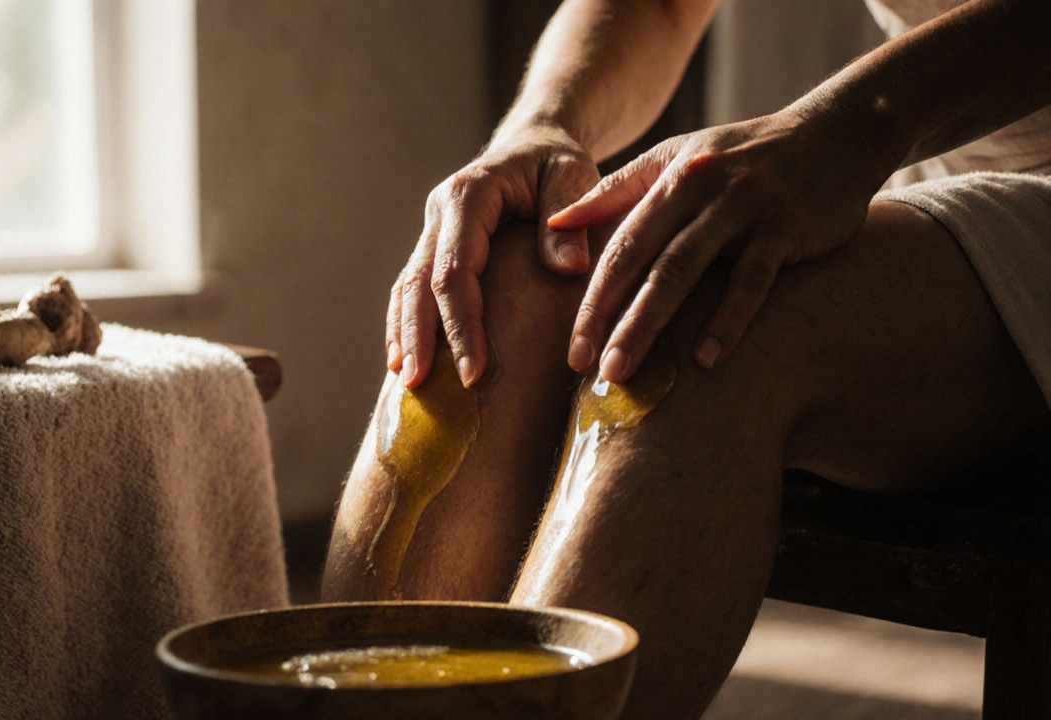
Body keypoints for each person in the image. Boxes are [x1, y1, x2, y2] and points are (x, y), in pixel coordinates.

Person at [322, 0, 1051, 716]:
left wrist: (854, 126)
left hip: (951, 156)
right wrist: (544, 123)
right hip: (943, 168)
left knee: (712, 325)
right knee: (503, 282)